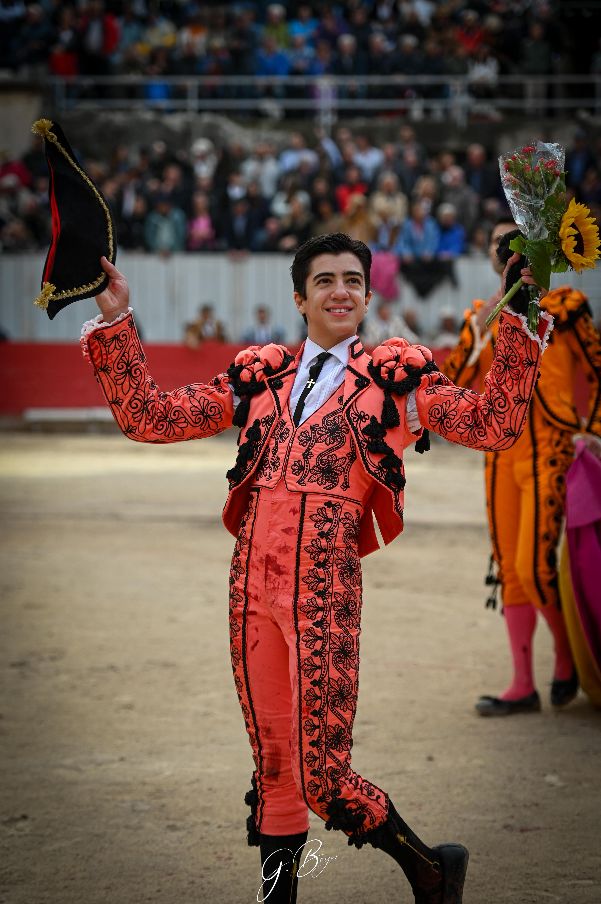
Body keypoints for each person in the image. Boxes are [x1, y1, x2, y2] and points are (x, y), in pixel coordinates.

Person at [82, 233, 550, 904]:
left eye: (353, 281)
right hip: (250, 585)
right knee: (275, 766)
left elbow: (494, 424)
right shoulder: (260, 374)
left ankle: (430, 867)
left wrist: (521, 315)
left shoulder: (397, 377)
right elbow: (150, 418)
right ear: (299, 298)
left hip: (323, 588)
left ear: (366, 295)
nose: (340, 290)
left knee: (323, 778)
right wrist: (116, 319)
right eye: (325, 280)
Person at [441, 218, 601, 716]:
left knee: (534, 566)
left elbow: (598, 371)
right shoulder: (481, 314)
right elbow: (452, 382)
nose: (507, 249)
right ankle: (521, 684)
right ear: (490, 255)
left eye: (518, 241)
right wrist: (479, 326)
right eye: (498, 242)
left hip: (552, 445)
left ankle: (566, 659)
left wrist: (593, 431)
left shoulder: (566, 306)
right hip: (499, 455)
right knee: (510, 568)